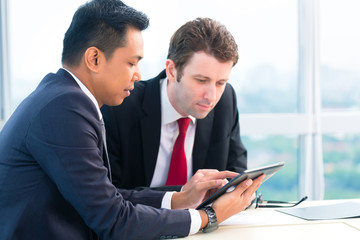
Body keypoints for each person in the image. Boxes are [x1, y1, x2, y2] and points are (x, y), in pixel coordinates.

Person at [0, 0, 264, 239]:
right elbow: (113, 219)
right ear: (94, 58)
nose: (138, 75)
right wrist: (208, 216)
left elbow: (108, 198)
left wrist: (180, 198)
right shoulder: (65, 108)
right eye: (131, 63)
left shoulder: (63, 98)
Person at [101, 17, 247, 191]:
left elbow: (236, 173)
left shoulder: (226, 100)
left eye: (220, 83)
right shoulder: (120, 106)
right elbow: (109, 194)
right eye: (201, 80)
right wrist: (183, 196)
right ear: (171, 71)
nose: (212, 96)